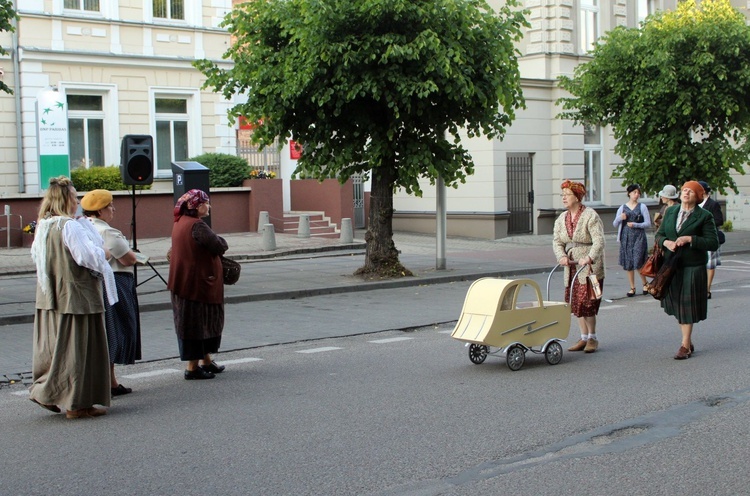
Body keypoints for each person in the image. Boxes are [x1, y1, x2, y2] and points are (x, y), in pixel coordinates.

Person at [28, 176, 117, 419]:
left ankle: (49, 393)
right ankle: (78, 404)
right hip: (77, 296)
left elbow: (37, 258)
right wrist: (105, 253)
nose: (77, 201)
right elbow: (87, 257)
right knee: (80, 352)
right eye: (74, 196)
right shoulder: (69, 226)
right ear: (65, 199)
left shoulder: (45, 225)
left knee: (56, 350)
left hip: (51, 295)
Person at [81, 189, 141, 396]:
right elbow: (128, 259)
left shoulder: (84, 227)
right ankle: (109, 382)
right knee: (117, 330)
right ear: (99, 210)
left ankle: (110, 381)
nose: (113, 209)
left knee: (107, 331)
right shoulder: (107, 232)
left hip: (96, 284)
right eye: (110, 206)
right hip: (116, 282)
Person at [168, 189, 229, 380]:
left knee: (197, 322)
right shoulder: (197, 226)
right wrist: (222, 241)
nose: (208, 206)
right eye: (206, 203)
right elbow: (219, 245)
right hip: (196, 285)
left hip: (186, 282)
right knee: (196, 323)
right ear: (197, 206)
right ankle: (192, 368)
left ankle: (206, 360)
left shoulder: (180, 222)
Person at [655, 181, 719, 360]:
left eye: (690, 191)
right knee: (677, 304)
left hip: (693, 266)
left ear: (698, 196)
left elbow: (713, 242)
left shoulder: (704, 216)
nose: (685, 193)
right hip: (672, 266)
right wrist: (665, 242)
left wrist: (691, 239)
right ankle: (687, 339)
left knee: (686, 306)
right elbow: (659, 234)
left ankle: (684, 346)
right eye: (684, 190)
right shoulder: (671, 211)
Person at [552, 180, 606, 353]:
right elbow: (557, 241)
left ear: (577, 197)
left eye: (567, 195)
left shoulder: (590, 215)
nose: (564, 198)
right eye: (563, 195)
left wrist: (589, 257)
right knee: (575, 303)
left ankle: (593, 337)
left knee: (588, 302)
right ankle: (583, 337)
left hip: (589, 267)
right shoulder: (562, 218)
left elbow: (599, 240)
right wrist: (561, 256)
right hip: (571, 266)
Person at [613, 184, 651, 297]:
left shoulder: (642, 207)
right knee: (629, 262)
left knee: (638, 260)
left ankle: (645, 283)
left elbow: (648, 223)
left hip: (639, 236)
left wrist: (635, 224)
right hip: (626, 237)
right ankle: (632, 287)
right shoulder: (622, 208)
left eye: (638, 193)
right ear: (629, 193)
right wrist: (621, 218)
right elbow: (614, 224)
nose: (637, 195)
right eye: (634, 192)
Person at [698, 181, 723, 299]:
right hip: (698, 237)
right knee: (699, 262)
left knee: (710, 264)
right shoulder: (695, 203)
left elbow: (719, 220)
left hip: (710, 236)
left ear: (703, 191)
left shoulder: (712, 204)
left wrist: (706, 224)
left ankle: (707, 289)